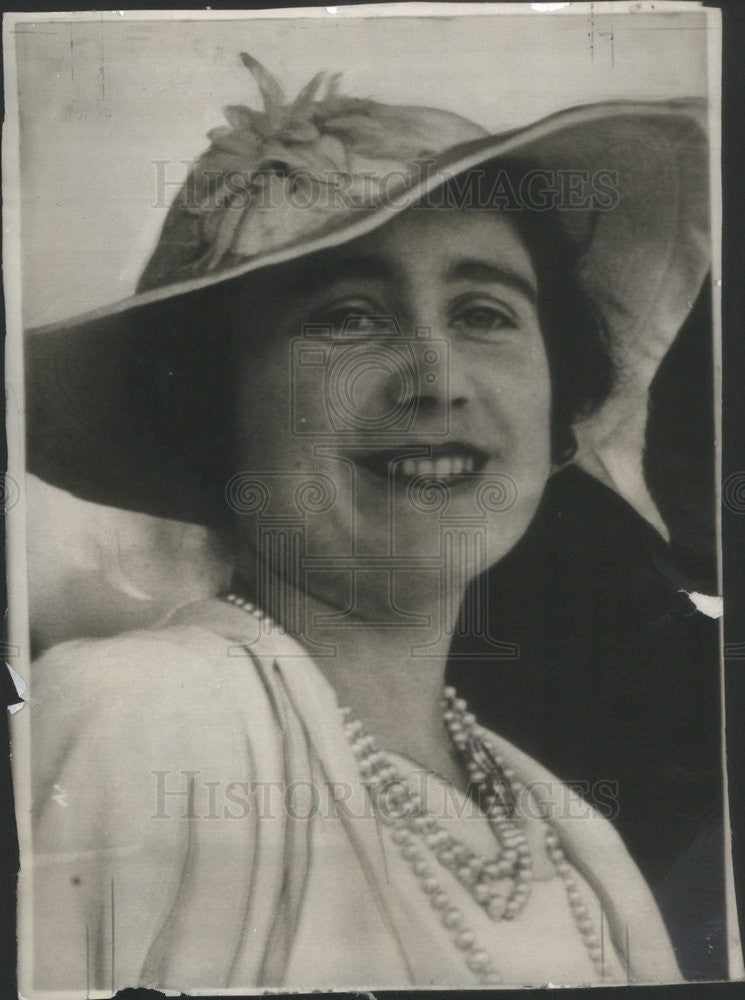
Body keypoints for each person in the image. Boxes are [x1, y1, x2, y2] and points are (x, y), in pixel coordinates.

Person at [24, 55, 710, 991]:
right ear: (212, 410)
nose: (436, 377)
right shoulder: (144, 715)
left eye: (483, 312)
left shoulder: (570, 836)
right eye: (348, 317)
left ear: (555, 411)